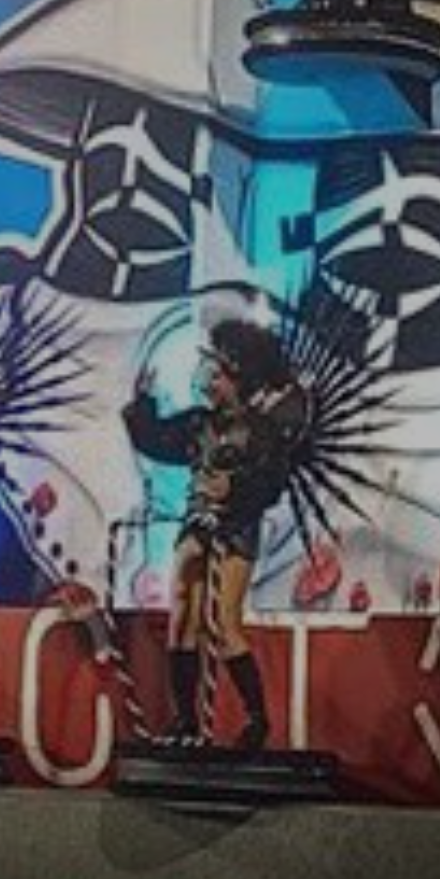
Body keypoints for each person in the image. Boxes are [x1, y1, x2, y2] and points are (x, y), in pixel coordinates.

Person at [123, 313, 309, 751]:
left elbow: (272, 484)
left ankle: (256, 718)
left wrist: (236, 488)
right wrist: (142, 406)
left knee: (224, 622)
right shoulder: (198, 424)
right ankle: (186, 718)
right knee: (182, 611)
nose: (208, 378)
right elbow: (156, 440)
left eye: (218, 372)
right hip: (197, 520)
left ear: (238, 378)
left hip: (236, 526)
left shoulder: (261, 432)